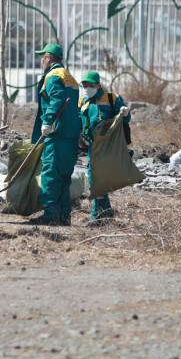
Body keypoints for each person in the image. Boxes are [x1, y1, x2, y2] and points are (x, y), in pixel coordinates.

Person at [27, 43, 81, 226]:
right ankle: (64, 216)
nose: (41, 61)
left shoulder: (53, 76)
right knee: (64, 177)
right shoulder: (70, 78)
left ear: (49, 58)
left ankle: (50, 216)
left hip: (57, 134)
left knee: (50, 174)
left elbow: (57, 98)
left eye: (42, 57)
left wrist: (47, 120)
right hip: (71, 135)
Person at [78, 70, 131, 227]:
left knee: (96, 180)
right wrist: (79, 136)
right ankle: (107, 215)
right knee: (97, 179)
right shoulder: (83, 102)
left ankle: (97, 216)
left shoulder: (111, 99)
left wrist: (125, 112)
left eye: (91, 85)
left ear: (98, 85)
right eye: (85, 85)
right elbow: (79, 122)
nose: (87, 88)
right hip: (91, 146)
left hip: (108, 146)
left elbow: (125, 117)